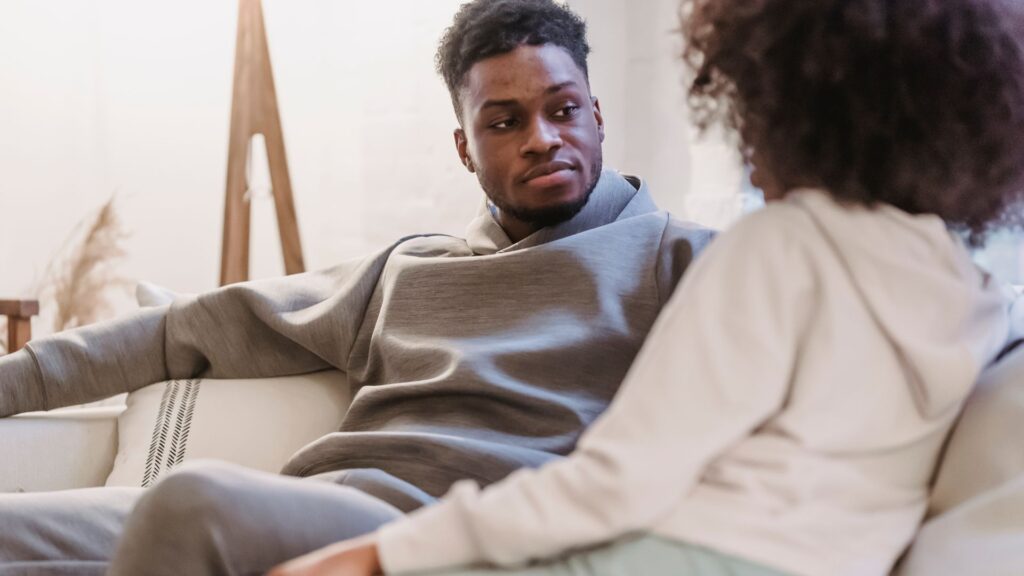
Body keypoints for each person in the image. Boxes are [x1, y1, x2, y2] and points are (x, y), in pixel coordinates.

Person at [271, 0, 1024, 574]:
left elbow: (617, 481)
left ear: (795, 101)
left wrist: (379, 556)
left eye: (747, 105)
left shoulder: (783, 245)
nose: (743, 130)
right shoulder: (973, 295)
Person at [0, 1, 714, 575]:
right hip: (316, 511)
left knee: (191, 506)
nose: (542, 138)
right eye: (505, 121)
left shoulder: (680, 260)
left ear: (597, 114)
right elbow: (178, 332)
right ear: (464, 147)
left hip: (446, 540)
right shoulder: (407, 270)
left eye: (562, 110)